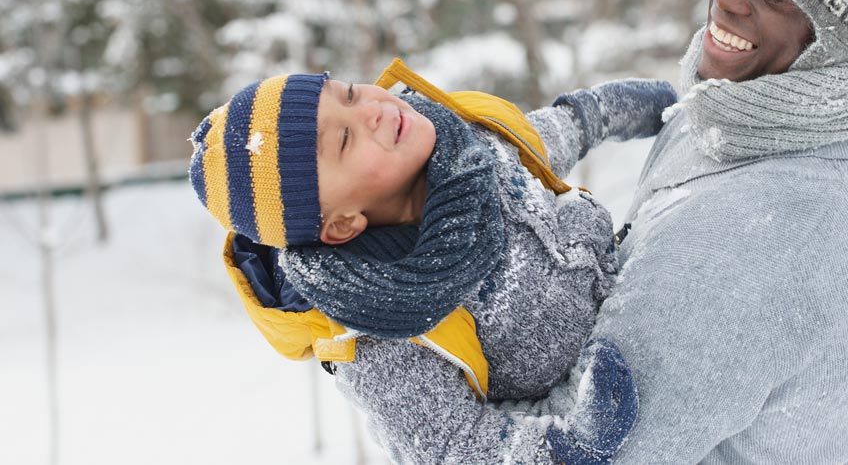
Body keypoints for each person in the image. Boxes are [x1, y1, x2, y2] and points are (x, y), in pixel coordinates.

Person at [340, 0, 848, 464]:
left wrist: (391, 368)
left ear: (832, 46)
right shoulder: (777, 121)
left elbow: (596, 446)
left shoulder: (757, 224)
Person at [187, 64, 677, 463]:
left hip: (650, 289)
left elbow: (558, 129)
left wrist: (617, 107)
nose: (374, 111)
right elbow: (454, 448)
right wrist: (570, 445)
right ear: (340, 225)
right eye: (343, 140)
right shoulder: (382, 331)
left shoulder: (472, 141)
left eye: (351, 94)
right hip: (641, 415)